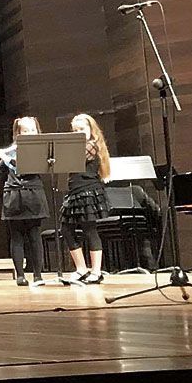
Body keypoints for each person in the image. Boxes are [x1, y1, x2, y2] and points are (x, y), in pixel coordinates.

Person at [0, 116, 49, 286]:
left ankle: (38, 275)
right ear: (18, 133)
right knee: (16, 236)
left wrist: (8, 158)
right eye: (25, 131)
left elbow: (28, 168)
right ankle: (20, 275)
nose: (29, 133)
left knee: (34, 235)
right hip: (13, 195)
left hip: (33, 195)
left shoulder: (40, 150)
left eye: (32, 130)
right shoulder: (11, 151)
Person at [63, 113, 111, 283]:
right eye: (75, 130)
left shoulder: (91, 146)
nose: (78, 133)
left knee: (89, 229)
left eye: (82, 129)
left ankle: (96, 271)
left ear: (91, 130)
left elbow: (73, 159)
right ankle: (82, 268)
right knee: (66, 229)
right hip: (75, 192)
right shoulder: (77, 147)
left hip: (88, 192)